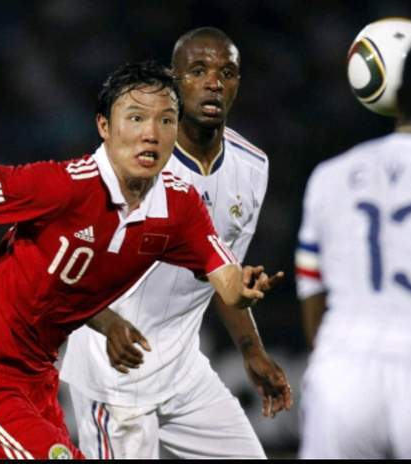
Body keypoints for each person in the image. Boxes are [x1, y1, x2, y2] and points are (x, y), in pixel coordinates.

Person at [0, 60, 278, 459]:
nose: (150, 133)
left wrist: (242, 289)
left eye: (165, 120)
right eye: (136, 117)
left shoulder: (180, 207)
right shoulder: (61, 187)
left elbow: (225, 279)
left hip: (39, 385)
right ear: (104, 126)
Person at [61, 28, 291, 460]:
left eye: (226, 73)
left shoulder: (252, 166)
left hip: (184, 372)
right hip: (116, 372)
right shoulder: (129, 162)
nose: (213, 83)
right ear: (174, 80)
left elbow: (224, 274)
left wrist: (252, 350)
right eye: (198, 71)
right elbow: (62, 266)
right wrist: (106, 324)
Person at [296, 35, 411, 459]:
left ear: (398, 98)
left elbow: (313, 291)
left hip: (345, 370)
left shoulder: (332, 175)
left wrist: (330, 358)